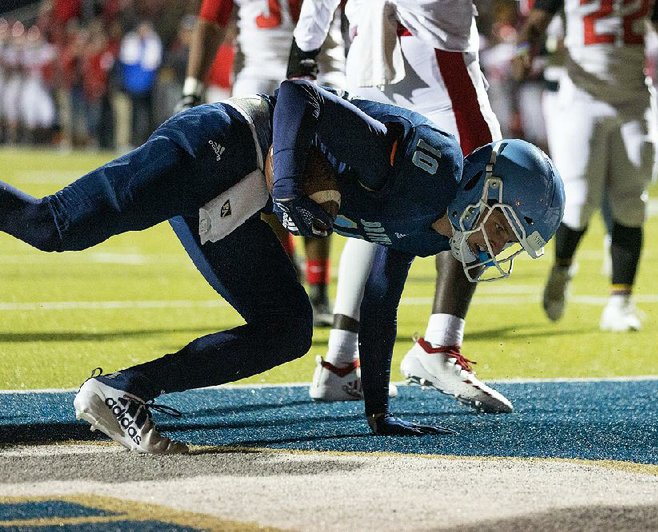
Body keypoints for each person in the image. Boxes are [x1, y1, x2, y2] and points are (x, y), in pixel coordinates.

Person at [0, 80, 565, 454]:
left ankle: (122, 391)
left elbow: (378, 303)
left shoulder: (425, 227)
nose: (496, 247)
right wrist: (292, 187)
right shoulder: (429, 169)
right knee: (53, 227)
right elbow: (297, 97)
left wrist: (378, 411)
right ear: (486, 191)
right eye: (504, 227)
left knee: (288, 329)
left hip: (240, 201)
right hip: (224, 144)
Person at [290, 0, 515, 414]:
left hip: (368, 59)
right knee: (480, 192)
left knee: (374, 203)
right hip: (435, 60)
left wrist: (304, 53)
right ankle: (440, 346)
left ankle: (340, 360)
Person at [514, 0, 658, 332]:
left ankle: (620, 302)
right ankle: (562, 267)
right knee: (580, 201)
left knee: (631, 202)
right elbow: (534, 25)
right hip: (582, 98)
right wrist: (524, 51)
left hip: (633, 99)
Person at [177, 0, 347, 327]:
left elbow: (210, 23)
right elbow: (212, 20)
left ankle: (318, 288)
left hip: (291, 72)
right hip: (303, 71)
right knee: (267, 185)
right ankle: (297, 276)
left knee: (310, 179)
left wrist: (192, 88)